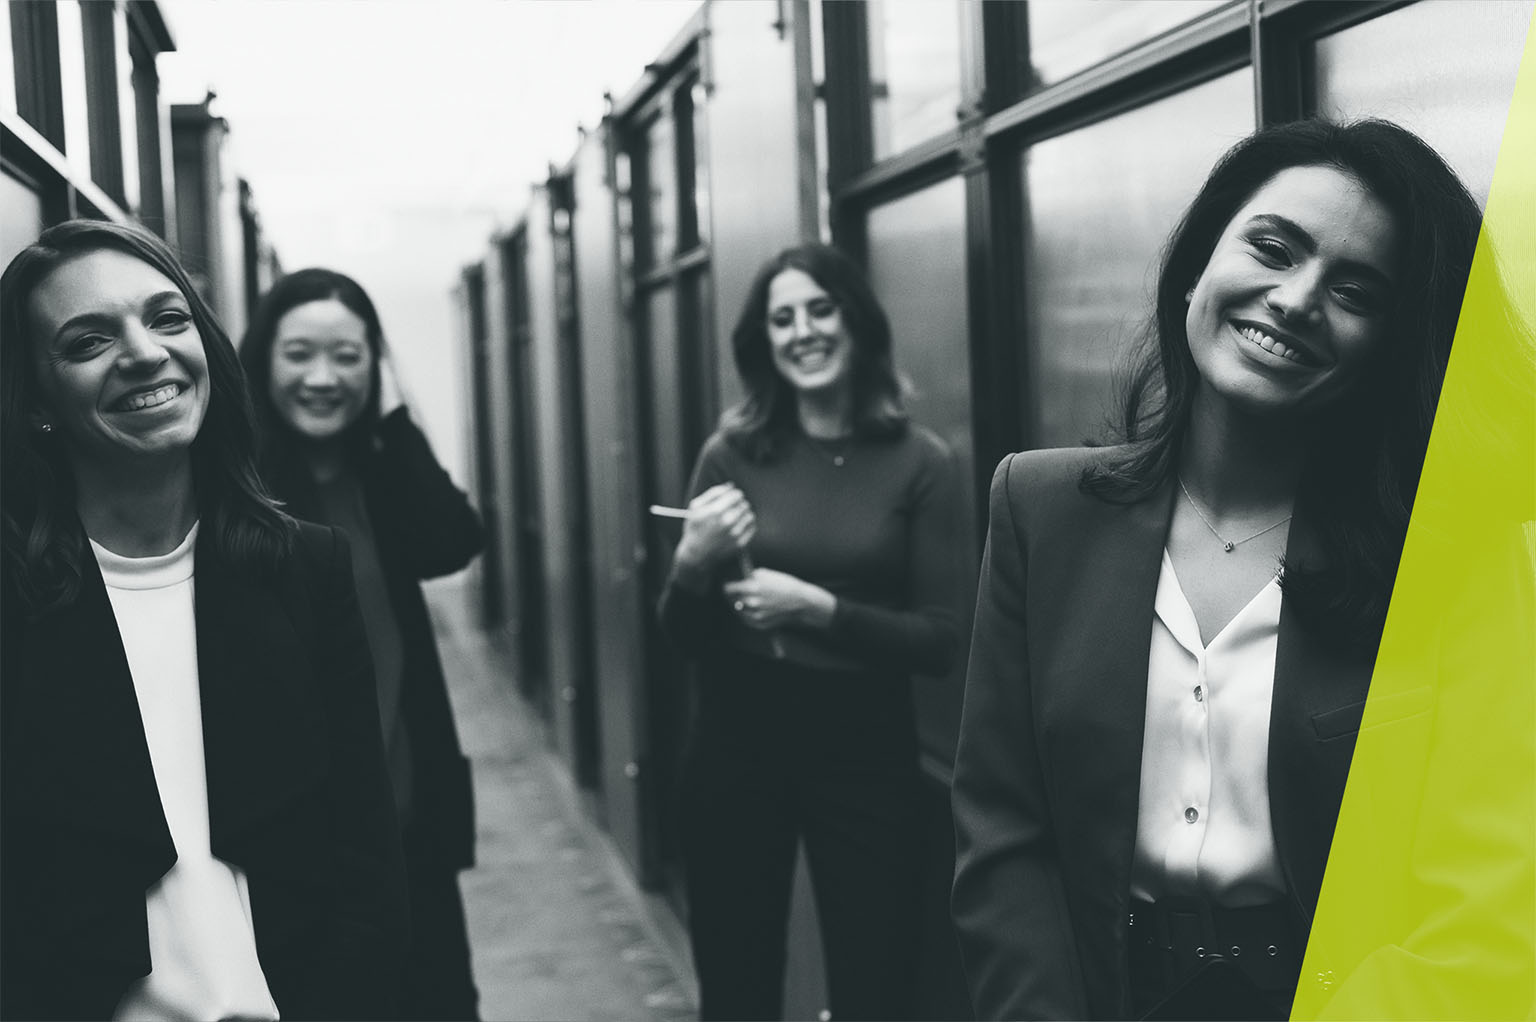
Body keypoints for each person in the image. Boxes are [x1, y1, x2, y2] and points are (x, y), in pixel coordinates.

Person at [949, 118, 1484, 1020]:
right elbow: (1003, 829)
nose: (1297, 298)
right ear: (1200, 263)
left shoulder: (1437, 563)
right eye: (1274, 248)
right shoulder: (1040, 509)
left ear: (1391, 348)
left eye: (1356, 291)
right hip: (1101, 994)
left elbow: (1471, 882)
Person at [0, 219, 408, 1020]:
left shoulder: (305, 568)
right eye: (88, 342)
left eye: (167, 317)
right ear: (38, 401)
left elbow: (366, 856)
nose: (145, 353)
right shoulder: (16, 598)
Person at [659, 243, 964, 1021]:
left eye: (819, 310)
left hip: (864, 744)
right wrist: (694, 563)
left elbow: (939, 640)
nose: (802, 331)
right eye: (782, 317)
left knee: (878, 979)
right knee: (737, 979)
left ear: (855, 322)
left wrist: (816, 609)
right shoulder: (730, 453)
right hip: (737, 733)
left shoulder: (920, 461)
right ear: (764, 341)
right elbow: (680, 635)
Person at [239, 267, 484, 1021]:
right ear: (261, 362)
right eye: (300, 353)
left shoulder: (380, 469)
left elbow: (453, 540)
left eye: (348, 356)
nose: (323, 377)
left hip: (409, 822)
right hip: (300, 842)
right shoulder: (235, 481)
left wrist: (398, 415)